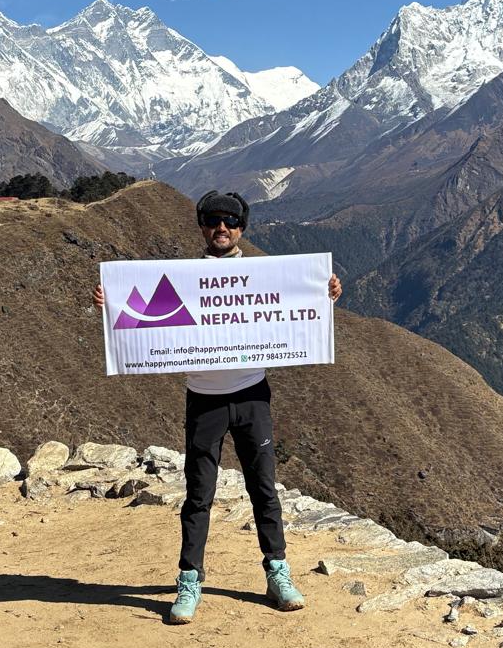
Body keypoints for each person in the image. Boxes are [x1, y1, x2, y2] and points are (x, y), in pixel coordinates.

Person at [92, 189, 342, 624]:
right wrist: (110, 303)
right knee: (198, 493)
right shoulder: (185, 277)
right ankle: (190, 580)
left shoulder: (264, 275)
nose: (221, 229)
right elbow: (140, 317)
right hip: (204, 400)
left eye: (230, 222)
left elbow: (296, 304)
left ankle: (277, 572)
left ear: (241, 228)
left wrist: (327, 294)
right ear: (202, 227)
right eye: (213, 221)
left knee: (264, 489)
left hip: (251, 396)